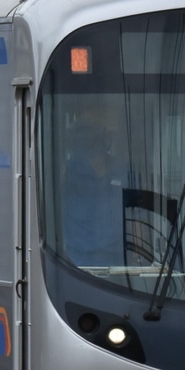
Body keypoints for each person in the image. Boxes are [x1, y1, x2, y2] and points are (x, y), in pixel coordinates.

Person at [59, 102, 128, 268]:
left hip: (119, 264)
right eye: (83, 135)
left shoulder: (121, 172)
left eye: (94, 134)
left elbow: (136, 217)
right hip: (75, 264)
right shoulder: (67, 172)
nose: (89, 140)